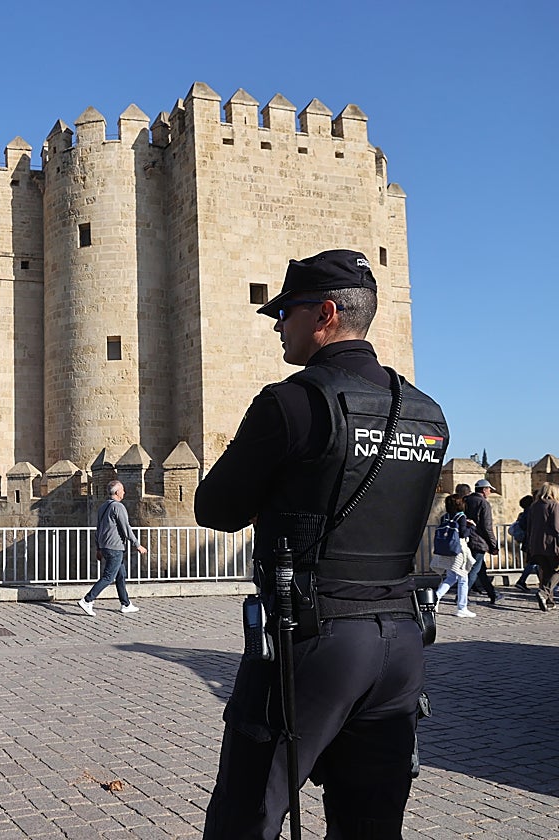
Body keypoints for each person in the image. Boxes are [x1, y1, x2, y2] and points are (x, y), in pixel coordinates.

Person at [195, 249, 448, 839]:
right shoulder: (426, 413)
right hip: (401, 646)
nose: (277, 322)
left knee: (246, 815)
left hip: (313, 641)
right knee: (371, 826)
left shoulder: (294, 402)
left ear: (325, 315)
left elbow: (215, 508)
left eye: (286, 312)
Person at [77, 479, 147, 615]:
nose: (124, 492)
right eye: (122, 490)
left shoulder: (103, 507)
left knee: (121, 575)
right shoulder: (118, 507)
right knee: (108, 577)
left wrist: (98, 548)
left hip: (105, 546)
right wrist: (137, 544)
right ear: (116, 492)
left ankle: (125, 604)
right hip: (115, 547)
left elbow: (98, 528)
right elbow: (126, 528)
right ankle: (87, 600)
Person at [432, 494, 477, 618]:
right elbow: (463, 534)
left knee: (451, 577)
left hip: (447, 550)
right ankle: (462, 607)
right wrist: (471, 526)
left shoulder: (444, 517)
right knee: (463, 578)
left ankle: (435, 597)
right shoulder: (461, 517)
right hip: (459, 550)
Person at [464, 479, 502, 605]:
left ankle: (493, 594)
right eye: (489, 489)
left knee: (481, 570)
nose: (490, 492)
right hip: (479, 541)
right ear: (484, 489)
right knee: (474, 569)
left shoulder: (466, 500)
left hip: (467, 538)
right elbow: (487, 527)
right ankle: (462, 596)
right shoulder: (483, 503)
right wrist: (493, 544)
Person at [527, 483, 559, 612]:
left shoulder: (534, 506)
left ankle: (549, 601)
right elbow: (557, 527)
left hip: (536, 544)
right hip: (551, 544)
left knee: (547, 572)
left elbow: (529, 526)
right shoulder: (554, 505)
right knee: (556, 571)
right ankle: (544, 593)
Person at [512, 494, 537, 592]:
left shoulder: (525, 513)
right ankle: (522, 581)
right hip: (531, 540)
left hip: (529, 540)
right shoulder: (530, 512)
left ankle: (544, 586)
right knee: (533, 562)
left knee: (535, 562)